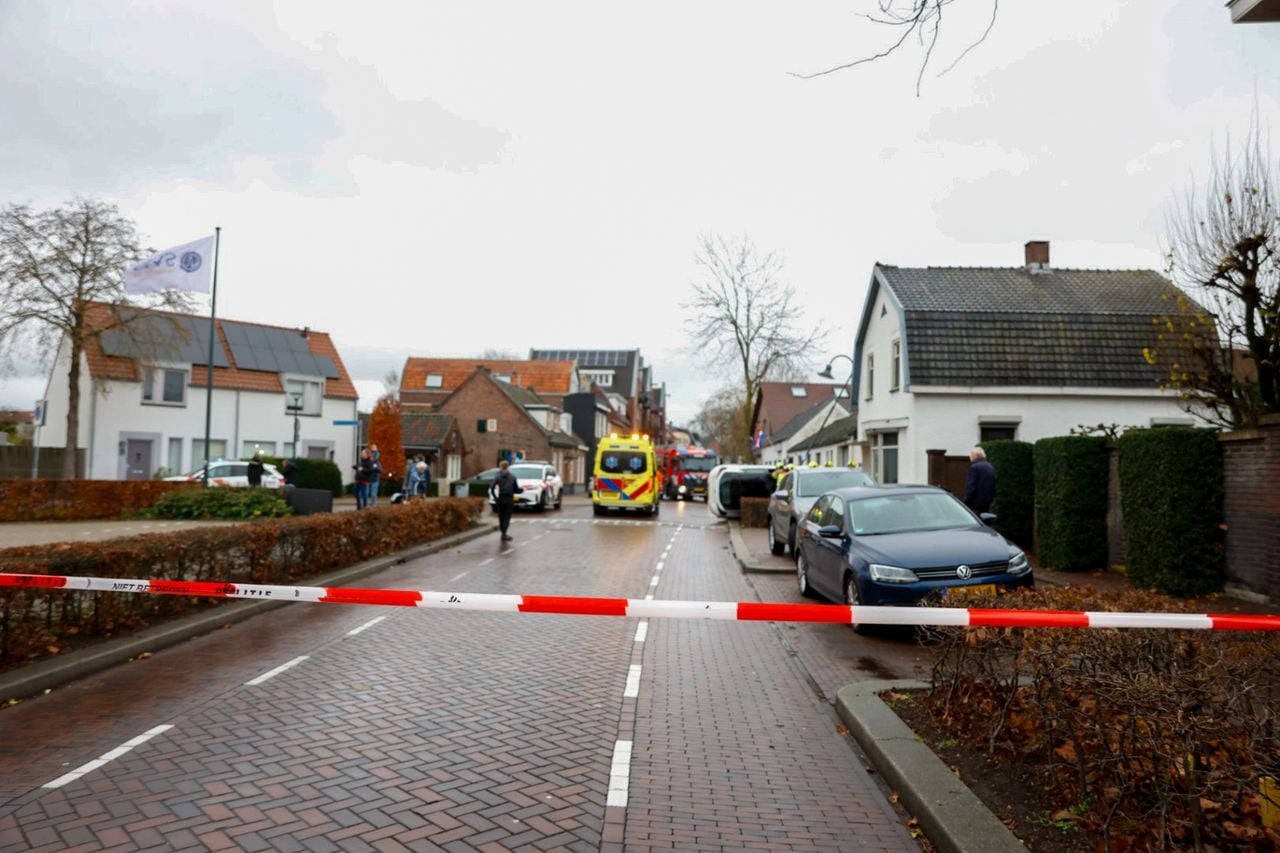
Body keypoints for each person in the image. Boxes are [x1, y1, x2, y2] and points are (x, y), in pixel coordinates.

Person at [490, 459, 519, 540]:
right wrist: (521, 491)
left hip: (500, 498)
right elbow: (516, 489)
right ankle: (504, 533)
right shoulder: (513, 477)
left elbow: (492, 488)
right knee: (507, 517)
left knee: (501, 517)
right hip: (509, 499)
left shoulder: (497, 477)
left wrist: (495, 498)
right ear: (508, 467)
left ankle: (503, 532)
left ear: (500, 467)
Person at [963, 446, 997, 513]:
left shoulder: (974, 467)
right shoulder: (990, 466)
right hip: (987, 502)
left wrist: (966, 501)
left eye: (971, 455)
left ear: (976, 456)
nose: (970, 457)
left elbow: (970, 486)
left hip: (975, 504)